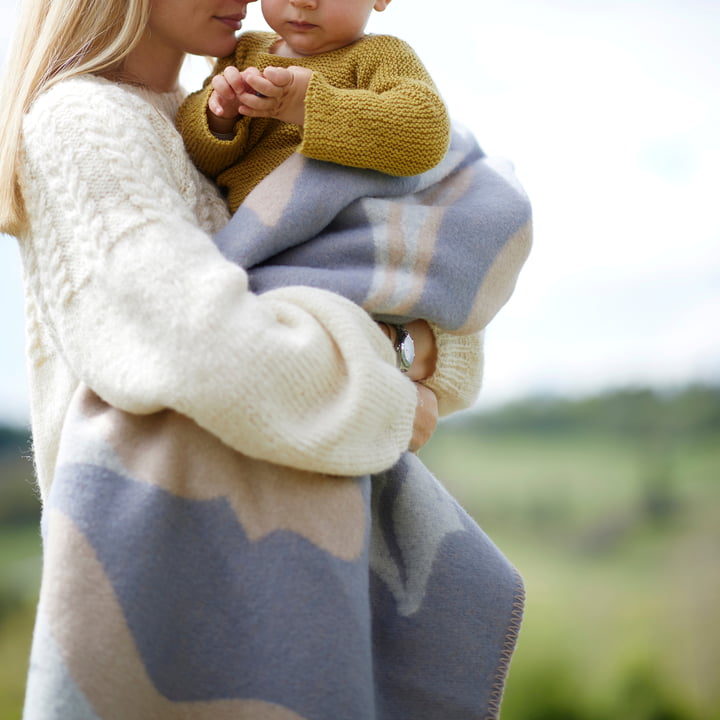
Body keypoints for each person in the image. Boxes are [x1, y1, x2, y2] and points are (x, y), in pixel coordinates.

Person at [175, 0, 451, 212]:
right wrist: (220, 117)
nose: (303, 1)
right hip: (262, 229)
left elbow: (427, 134)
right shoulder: (245, 52)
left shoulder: (382, 55)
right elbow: (199, 160)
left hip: (347, 223)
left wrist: (309, 105)